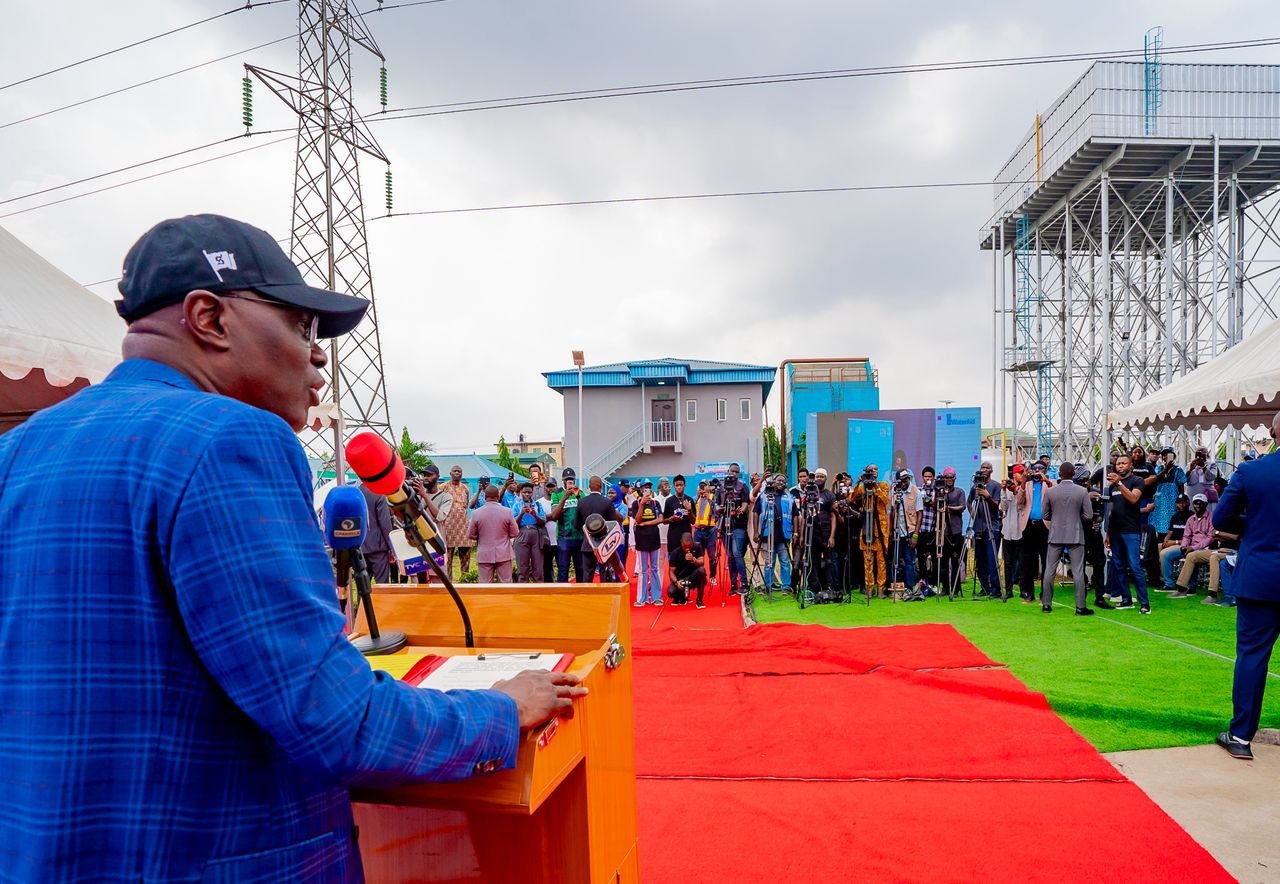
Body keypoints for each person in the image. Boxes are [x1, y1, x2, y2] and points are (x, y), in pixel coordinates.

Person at [0, 213, 585, 881]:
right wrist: (502, 711)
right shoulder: (230, 438)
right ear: (208, 319)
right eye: (301, 327)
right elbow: (334, 718)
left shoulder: (17, 451)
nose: (318, 355)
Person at [1213, 410, 1280, 761]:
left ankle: (1240, 736)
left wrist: (1252, 523)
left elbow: (1220, 518)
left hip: (1262, 576)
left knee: (1253, 656)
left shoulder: (1252, 472)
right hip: (1263, 574)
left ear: (1273, 432)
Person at [1041, 463, 1095, 615]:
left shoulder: (1051, 492)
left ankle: (1046, 604)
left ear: (1059, 473)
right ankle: (1080, 606)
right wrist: (1077, 520)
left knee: (1049, 570)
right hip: (1076, 534)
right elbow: (1089, 515)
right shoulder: (1082, 491)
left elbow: (1045, 515)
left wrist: (1057, 519)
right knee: (1078, 571)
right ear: (1073, 473)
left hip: (1055, 534)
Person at [1104, 454, 1150, 613]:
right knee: (1118, 566)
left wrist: (1120, 484)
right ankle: (1126, 599)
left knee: (1135, 566)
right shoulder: (1111, 487)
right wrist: (1108, 533)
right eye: (1118, 464)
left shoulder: (1137, 481)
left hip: (1131, 531)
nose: (1120, 466)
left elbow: (1133, 499)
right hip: (1115, 531)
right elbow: (1111, 510)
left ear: (1130, 466)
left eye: (1124, 463)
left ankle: (1145, 604)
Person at [1016, 463, 1055, 604]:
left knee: (1046, 560)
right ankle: (1029, 594)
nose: (1037, 472)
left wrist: (1048, 482)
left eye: (1041, 469)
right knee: (1027, 562)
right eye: (1035, 469)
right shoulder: (1027, 484)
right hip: (1029, 526)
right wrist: (1024, 481)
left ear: (1045, 470)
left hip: (1045, 526)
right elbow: (1019, 502)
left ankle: (1045, 595)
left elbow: (1056, 499)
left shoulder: (1050, 484)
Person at [967, 463, 1004, 600]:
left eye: (988, 468)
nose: (985, 470)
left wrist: (987, 497)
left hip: (992, 527)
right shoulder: (975, 486)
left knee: (991, 558)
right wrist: (973, 515)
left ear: (992, 470)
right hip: (979, 528)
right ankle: (984, 588)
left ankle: (996, 589)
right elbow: (969, 502)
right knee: (980, 559)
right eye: (983, 467)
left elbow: (998, 507)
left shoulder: (996, 486)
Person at [754, 473, 796, 592]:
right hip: (768, 534)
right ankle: (768, 585)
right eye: (779, 481)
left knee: (785, 561)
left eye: (783, 481)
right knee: (769, 562)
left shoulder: (789, 497)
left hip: (784, 535)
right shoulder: (764, 495)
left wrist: (796, 532)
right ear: (773, 481)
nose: (781, 483)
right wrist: (756, 532)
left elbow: (795, 515)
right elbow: (755, 512)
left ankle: (786, 586)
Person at [852, 465, 889, 597]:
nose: (873, 472)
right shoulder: (862, 487)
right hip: (867, 528)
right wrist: (858, 482)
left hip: (880, 528)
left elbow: (885, 500)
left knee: (881, 561)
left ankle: (880, 589)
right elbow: (852, 499)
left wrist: (875, 486)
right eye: (870, 470)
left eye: (875, 470)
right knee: (868, 560)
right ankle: (869, 588)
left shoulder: (883, 485)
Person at [469, 485, 519, 582]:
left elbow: (471, 535)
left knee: (485, 586)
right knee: (506, 584)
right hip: (504, 553)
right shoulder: (507, 512)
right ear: (498, 496)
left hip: (484, 554)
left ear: (485, 497)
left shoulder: (476, 513)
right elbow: (515, 533)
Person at [575, 475, 621, 582]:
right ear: (600, 486)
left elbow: (576, 525)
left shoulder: (581, 502)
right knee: (604, 572)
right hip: (604, 544)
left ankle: (587, 597)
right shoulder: (607, 502)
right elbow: (613, 524)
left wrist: (587, 535)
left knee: (587, 574)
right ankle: (604, 597)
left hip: (587, 544)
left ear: (589, 487)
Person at [1161, 495, 1209, 594]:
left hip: (1204, 548)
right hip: (1189, 545)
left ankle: (1190, 586)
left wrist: (1192, 547)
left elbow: (1210, 538)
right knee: (1167, 555)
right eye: (1196, 503)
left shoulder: (1211, 518)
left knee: (1191, 555)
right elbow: (1187, 536)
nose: (1197, 505)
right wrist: (1184, 546)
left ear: (1206, 504)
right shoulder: (1191, 519)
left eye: (1200, 503)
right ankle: (1169, 583)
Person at [720, 463, 753, 596]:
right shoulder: (722, 487)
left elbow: (745, 504)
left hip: (739, 525)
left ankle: (744, 583)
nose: (733, 473)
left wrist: (740, 511)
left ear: (738, 473)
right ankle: (733, 584)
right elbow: (717, 505)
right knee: (730, 555)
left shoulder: (742, 486)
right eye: (732, 471)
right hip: (724, 526)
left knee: (737, 553)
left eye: (736, 471)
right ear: (728, 471)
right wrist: (720, 509)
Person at [888, 469, 922, 594]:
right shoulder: (895, 491)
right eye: (902, 480)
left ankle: (910, 588)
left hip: (910, 531)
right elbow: (892, 512)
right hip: (897, 531)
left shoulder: (915, 492)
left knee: (909, 560)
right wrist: (891, 530)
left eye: (907, 479)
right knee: (895, 560)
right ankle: (895, 587)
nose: (905, 482)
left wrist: (916, 535)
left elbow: (920, 514)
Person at [549, 468, 585, 583]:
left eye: (572, 480)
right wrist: (564, 498)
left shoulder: (580, 493)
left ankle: (581, 594)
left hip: (579, 536)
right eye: (567, 480)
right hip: (564, 537)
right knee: (563, 569)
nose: (570, 482)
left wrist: (578, 496)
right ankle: (562, 594)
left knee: (580, 568)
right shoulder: (556, 494)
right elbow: (554, 516)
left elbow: (585, 512)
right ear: (563, 481)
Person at [632, 483, 665, 606]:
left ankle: (657, 597)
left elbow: (661, 519)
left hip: (654, 539)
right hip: (641, 540)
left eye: (649, 488)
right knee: (643, 570)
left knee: (655, 569)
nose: (648, 490)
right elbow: (638, 519)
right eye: (645, 488)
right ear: (641, 490)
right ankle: (642, 598)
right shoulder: (636, 504)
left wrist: (646, 524)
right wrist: (641, 504)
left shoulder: (656, 503)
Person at [358, 479, 395, 583]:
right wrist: (391, 547)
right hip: (378, 547)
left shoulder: (356, 493)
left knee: (363, 585)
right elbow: (385, 524)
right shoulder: (379, 495)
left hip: (360, 546)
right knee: (382, 584)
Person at [938, 468, 968, 595]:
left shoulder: (959, 492)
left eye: (951, 477)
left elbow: (962, 507)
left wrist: (948, 508)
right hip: (942, 532)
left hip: (955, 531)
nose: (949, 480)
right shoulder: (940, 492)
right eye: (946, 477)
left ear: (955, 478)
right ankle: (945, 588)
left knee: (955, 561)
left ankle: (955, 588)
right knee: (943, 561)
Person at [441, 465, 475, 577]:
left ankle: (465, 579)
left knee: (465, 552)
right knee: (448, 555)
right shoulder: (443, 487)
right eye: (455, 471)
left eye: (459, 471)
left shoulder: (465, 488)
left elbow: (467, 505)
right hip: (448, 525)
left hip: (463, 525)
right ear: (450, 473)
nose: (457, 473)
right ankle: (448, 580)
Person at [998, 465, 1025, 596]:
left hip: (1021, 530)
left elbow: (1023, 503)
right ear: (1014, 475)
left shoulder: (1026, 487)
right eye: (1020, 473)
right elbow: (1003, 507)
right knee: (1008, 563)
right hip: (1008, 530)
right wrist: (1004, 490)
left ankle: (1023, 589)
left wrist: (1016, 490)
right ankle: (1008, 590)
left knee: (1022, 562)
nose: (1022, 475)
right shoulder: (1007, 488)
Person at [510, 482, 545, 582]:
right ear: (521, 492)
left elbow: (543, 522)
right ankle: (522, 593)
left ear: (532, 493)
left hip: (536, 534)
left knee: (538, 568)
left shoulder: (537, 504)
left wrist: (535, 515)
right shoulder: (516, 505)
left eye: (529, 492)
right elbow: (513, 524)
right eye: (525, 492)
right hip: (521, 533)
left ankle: (539, 592)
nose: (527, 494)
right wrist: (521, 513)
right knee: (522, 567)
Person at [1150, 447, 1187, 535]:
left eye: (1169, 454)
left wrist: (1181, 498)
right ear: (1162, 457)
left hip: (1173, 498)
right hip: (1160, 498)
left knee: (1172, 517)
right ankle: (1159, 537)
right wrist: (1166, 469)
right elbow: (1156, 480)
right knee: (1159, 518)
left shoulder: (1178, 469)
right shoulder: (1158, 468)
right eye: (1164, 455)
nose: (1166, 456)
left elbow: (1181, 485)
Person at [668, 532, 710, 608]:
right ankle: (680, 596)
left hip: (693, 577)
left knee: (701, 570)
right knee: (671, 592)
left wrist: (695, 561)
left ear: (692, 542)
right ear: (681, 543)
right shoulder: (675, 553)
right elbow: (671, 571)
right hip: (680, 578)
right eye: (685, 546)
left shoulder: (697, 547)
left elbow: (702, 562)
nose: (687, 548)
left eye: (689, 546)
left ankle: (699, 600)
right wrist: (676, 582)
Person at [917, 466, 941, 591]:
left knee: (934, 558)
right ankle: (922, 581)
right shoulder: (918, 490)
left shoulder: (937, 491)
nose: (928, 479)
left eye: (930, 477)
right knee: (921, 558)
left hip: (932, 529)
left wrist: (930, 502)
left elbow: (939, 506)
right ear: (923, 477)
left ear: (933, 478)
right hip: (920, 529)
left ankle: (933, 583)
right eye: (926, 477)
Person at [662, 475, 696, 565]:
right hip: (673, 537)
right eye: (677, 485)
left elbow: (693, 521)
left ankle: (686, 579)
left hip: (687, 537)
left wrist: (689, 510)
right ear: (674, 486)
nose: (679, 487)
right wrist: (672, 518)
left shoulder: (690, 500)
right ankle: (674, 580)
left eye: (681, 485)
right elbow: (664, 520)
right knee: (673, 564)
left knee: (687, 564)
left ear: (684, 485)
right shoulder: (669, 501)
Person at [693, 480, 719, 583]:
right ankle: (700, 576)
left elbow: (716, 511)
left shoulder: (713, 499)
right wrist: (699, 495)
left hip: (710, 531)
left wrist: (708, 497)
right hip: (698, 531)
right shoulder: (695, 499)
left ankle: (713, 576)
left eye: (705, 486)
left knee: (712, 556)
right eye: (701, 486)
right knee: (699, 556)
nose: (703, 488)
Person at [537, 477, 559, 581]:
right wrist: (554, 516)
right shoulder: (538, 502)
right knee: (547, 570)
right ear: (544, 488)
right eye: (548, 486)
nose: (551, 489)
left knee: (562, 569)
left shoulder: (560, 500)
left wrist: (548, 516)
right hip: (546, 542)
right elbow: (539, 519)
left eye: (553, 486)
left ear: (556, 487)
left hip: (559, 541)